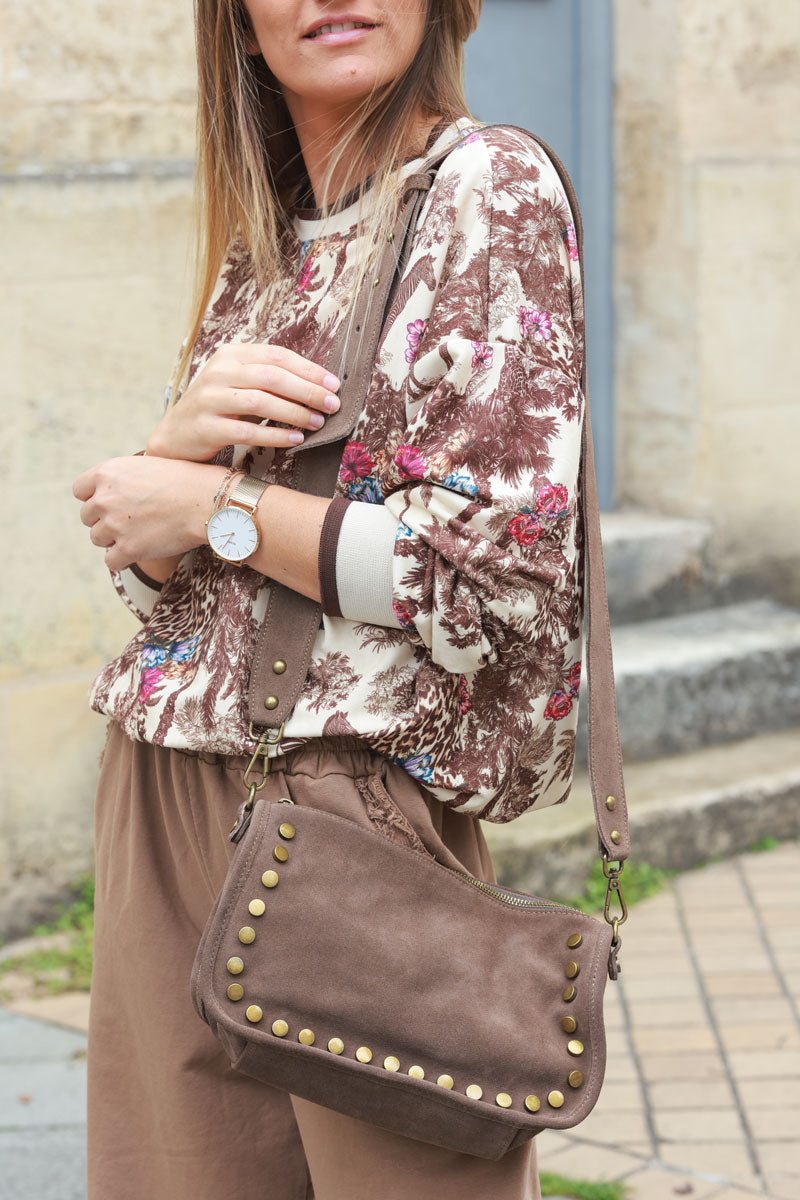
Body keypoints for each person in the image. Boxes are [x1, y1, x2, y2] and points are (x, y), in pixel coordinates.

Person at [72, 2, 587, 1197]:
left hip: (341, 808)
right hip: (163, 796)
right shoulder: (272, 242)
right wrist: (172, 462)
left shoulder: (483, 187)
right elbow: (169, 597)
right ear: (241, 28)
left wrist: (210, 510)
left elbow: (483, 585)